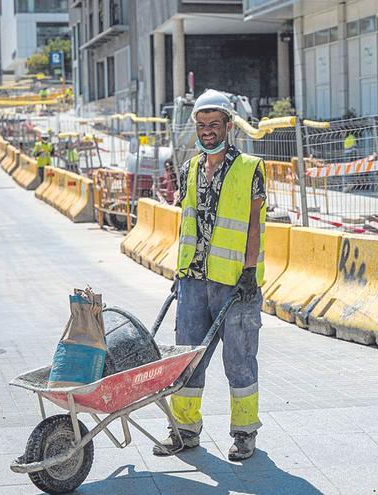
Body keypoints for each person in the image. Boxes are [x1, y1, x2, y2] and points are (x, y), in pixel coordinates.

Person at [153, 89, 267, 462]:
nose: (207, 132)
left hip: (236, 284)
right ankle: (184, 430)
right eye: (201, 126)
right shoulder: (189, 169)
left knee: (239, 358)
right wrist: (180, 271)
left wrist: (249, 272)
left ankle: (245, 433)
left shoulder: (250, 168)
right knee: (186, 358)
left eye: (214, 125)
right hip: (193, 282)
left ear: (228, 126)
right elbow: (187, 224)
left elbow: (253, 226)